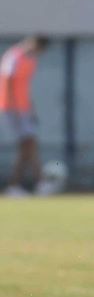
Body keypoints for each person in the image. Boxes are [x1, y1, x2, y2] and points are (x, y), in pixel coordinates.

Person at [0, 35, 48, 196]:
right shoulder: (14, 56)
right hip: (13, 109)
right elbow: (7, 81)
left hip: (24, 108)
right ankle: (40, 182)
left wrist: (31, 109)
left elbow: (24, 88)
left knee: (27, 146)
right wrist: (14, 107)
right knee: (29, 143)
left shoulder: (31, 60)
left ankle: (16, 185)